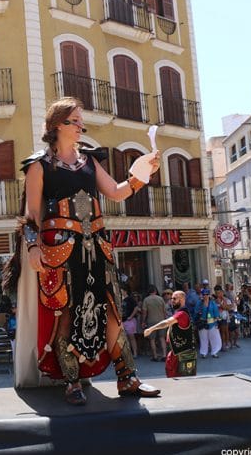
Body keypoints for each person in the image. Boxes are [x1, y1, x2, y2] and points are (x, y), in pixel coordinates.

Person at [12, 97, 160, 405]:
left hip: (95, 245)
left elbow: (117, 193)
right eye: (75, 121)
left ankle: (128, 378)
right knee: (65, 313)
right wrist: (33, 246)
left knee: (110, 311)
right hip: (60, 248)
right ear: (57, 126)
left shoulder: (90, 162)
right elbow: (32, 214)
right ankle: (73, 381)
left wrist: (143, 173)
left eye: (81, 120)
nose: (81, 126)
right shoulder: (39, 166)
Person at [144, 291, 196, 378]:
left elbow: (166, 322)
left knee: (183, 381)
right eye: (171, 298)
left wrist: (151, 329)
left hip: (181, 353)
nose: (172, 300)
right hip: (178, 352)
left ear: (182, 299)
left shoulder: (182, 314)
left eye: (175, 298)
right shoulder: (180, 313)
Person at [141, 286, 167, 362]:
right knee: (162, 338)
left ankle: (155, 356)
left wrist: (143, 321)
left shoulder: (146, 300)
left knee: (152, 339)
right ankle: (164, 355)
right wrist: (165, 319)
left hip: (151, 321)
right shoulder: (160, 299)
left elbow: (144, 312)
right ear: (155, 291)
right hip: (161, 320)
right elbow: (164, 311)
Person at [195, 289, 221, 358]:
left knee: (214, 338)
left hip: (212, 323)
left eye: (207, 294)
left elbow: (216, 313)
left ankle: (214, 352)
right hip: (202, 323)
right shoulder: (199, 303)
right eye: (204, 294)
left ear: (209, 295)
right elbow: (196, 312)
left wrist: (217, 322)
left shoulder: (212, 303)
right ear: (202, 295)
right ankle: (203, 352)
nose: (205, 296)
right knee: (203, 338)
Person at [121, 289, 140, 357]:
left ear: (125, 291)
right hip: (122, 320)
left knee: (131, 337)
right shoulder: (119, 299)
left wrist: (131, 316)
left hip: (129, 320)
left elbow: (136, 308)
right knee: (124, 338)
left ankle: (135, 353)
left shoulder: (130, 299)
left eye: (121, 290)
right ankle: (127, 353)